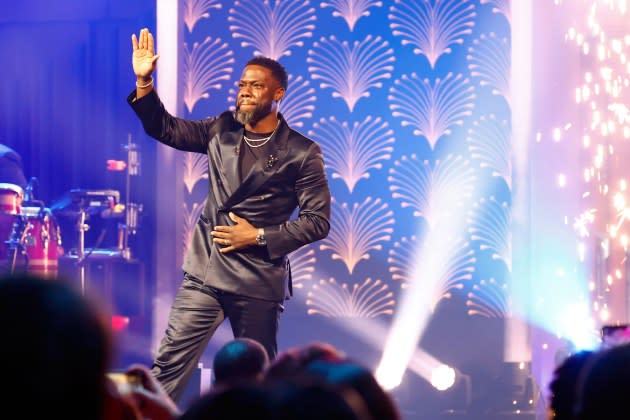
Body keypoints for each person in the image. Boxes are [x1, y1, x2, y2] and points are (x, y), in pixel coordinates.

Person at [128, 28, 331, 401]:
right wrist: (144, 82)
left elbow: (318, 221)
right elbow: (166, 127)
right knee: (168, 368)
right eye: (241, 84)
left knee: (258, 380)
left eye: (255, 86)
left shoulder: (301, 152)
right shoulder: (222, 128)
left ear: (277, 94)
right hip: (206, 273)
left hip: (257, 278)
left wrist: (257, 235)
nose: (244, 91)